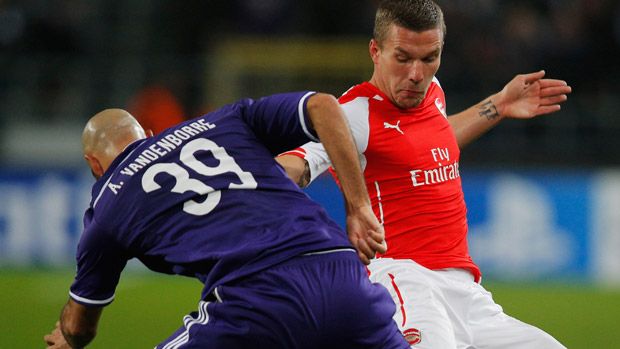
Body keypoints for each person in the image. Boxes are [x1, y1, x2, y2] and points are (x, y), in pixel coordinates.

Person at [277, 1, 572, 348]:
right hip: (403, 278)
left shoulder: (433, 93)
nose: (417, 73)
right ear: (376, 51)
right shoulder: (353, 115)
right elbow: (295, 164)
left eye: (429, 58)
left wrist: (498, 105)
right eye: (403, 58)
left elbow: (435, 141)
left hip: (466, 292)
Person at [43, 91, 410, 349]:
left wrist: (70, 335)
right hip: (342, 273)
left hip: (256, 298)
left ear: (94, 166)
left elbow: (80, 327)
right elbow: (324, 106)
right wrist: (359, 206)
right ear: (150, 135)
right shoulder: (224, 120)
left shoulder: (108, 204)